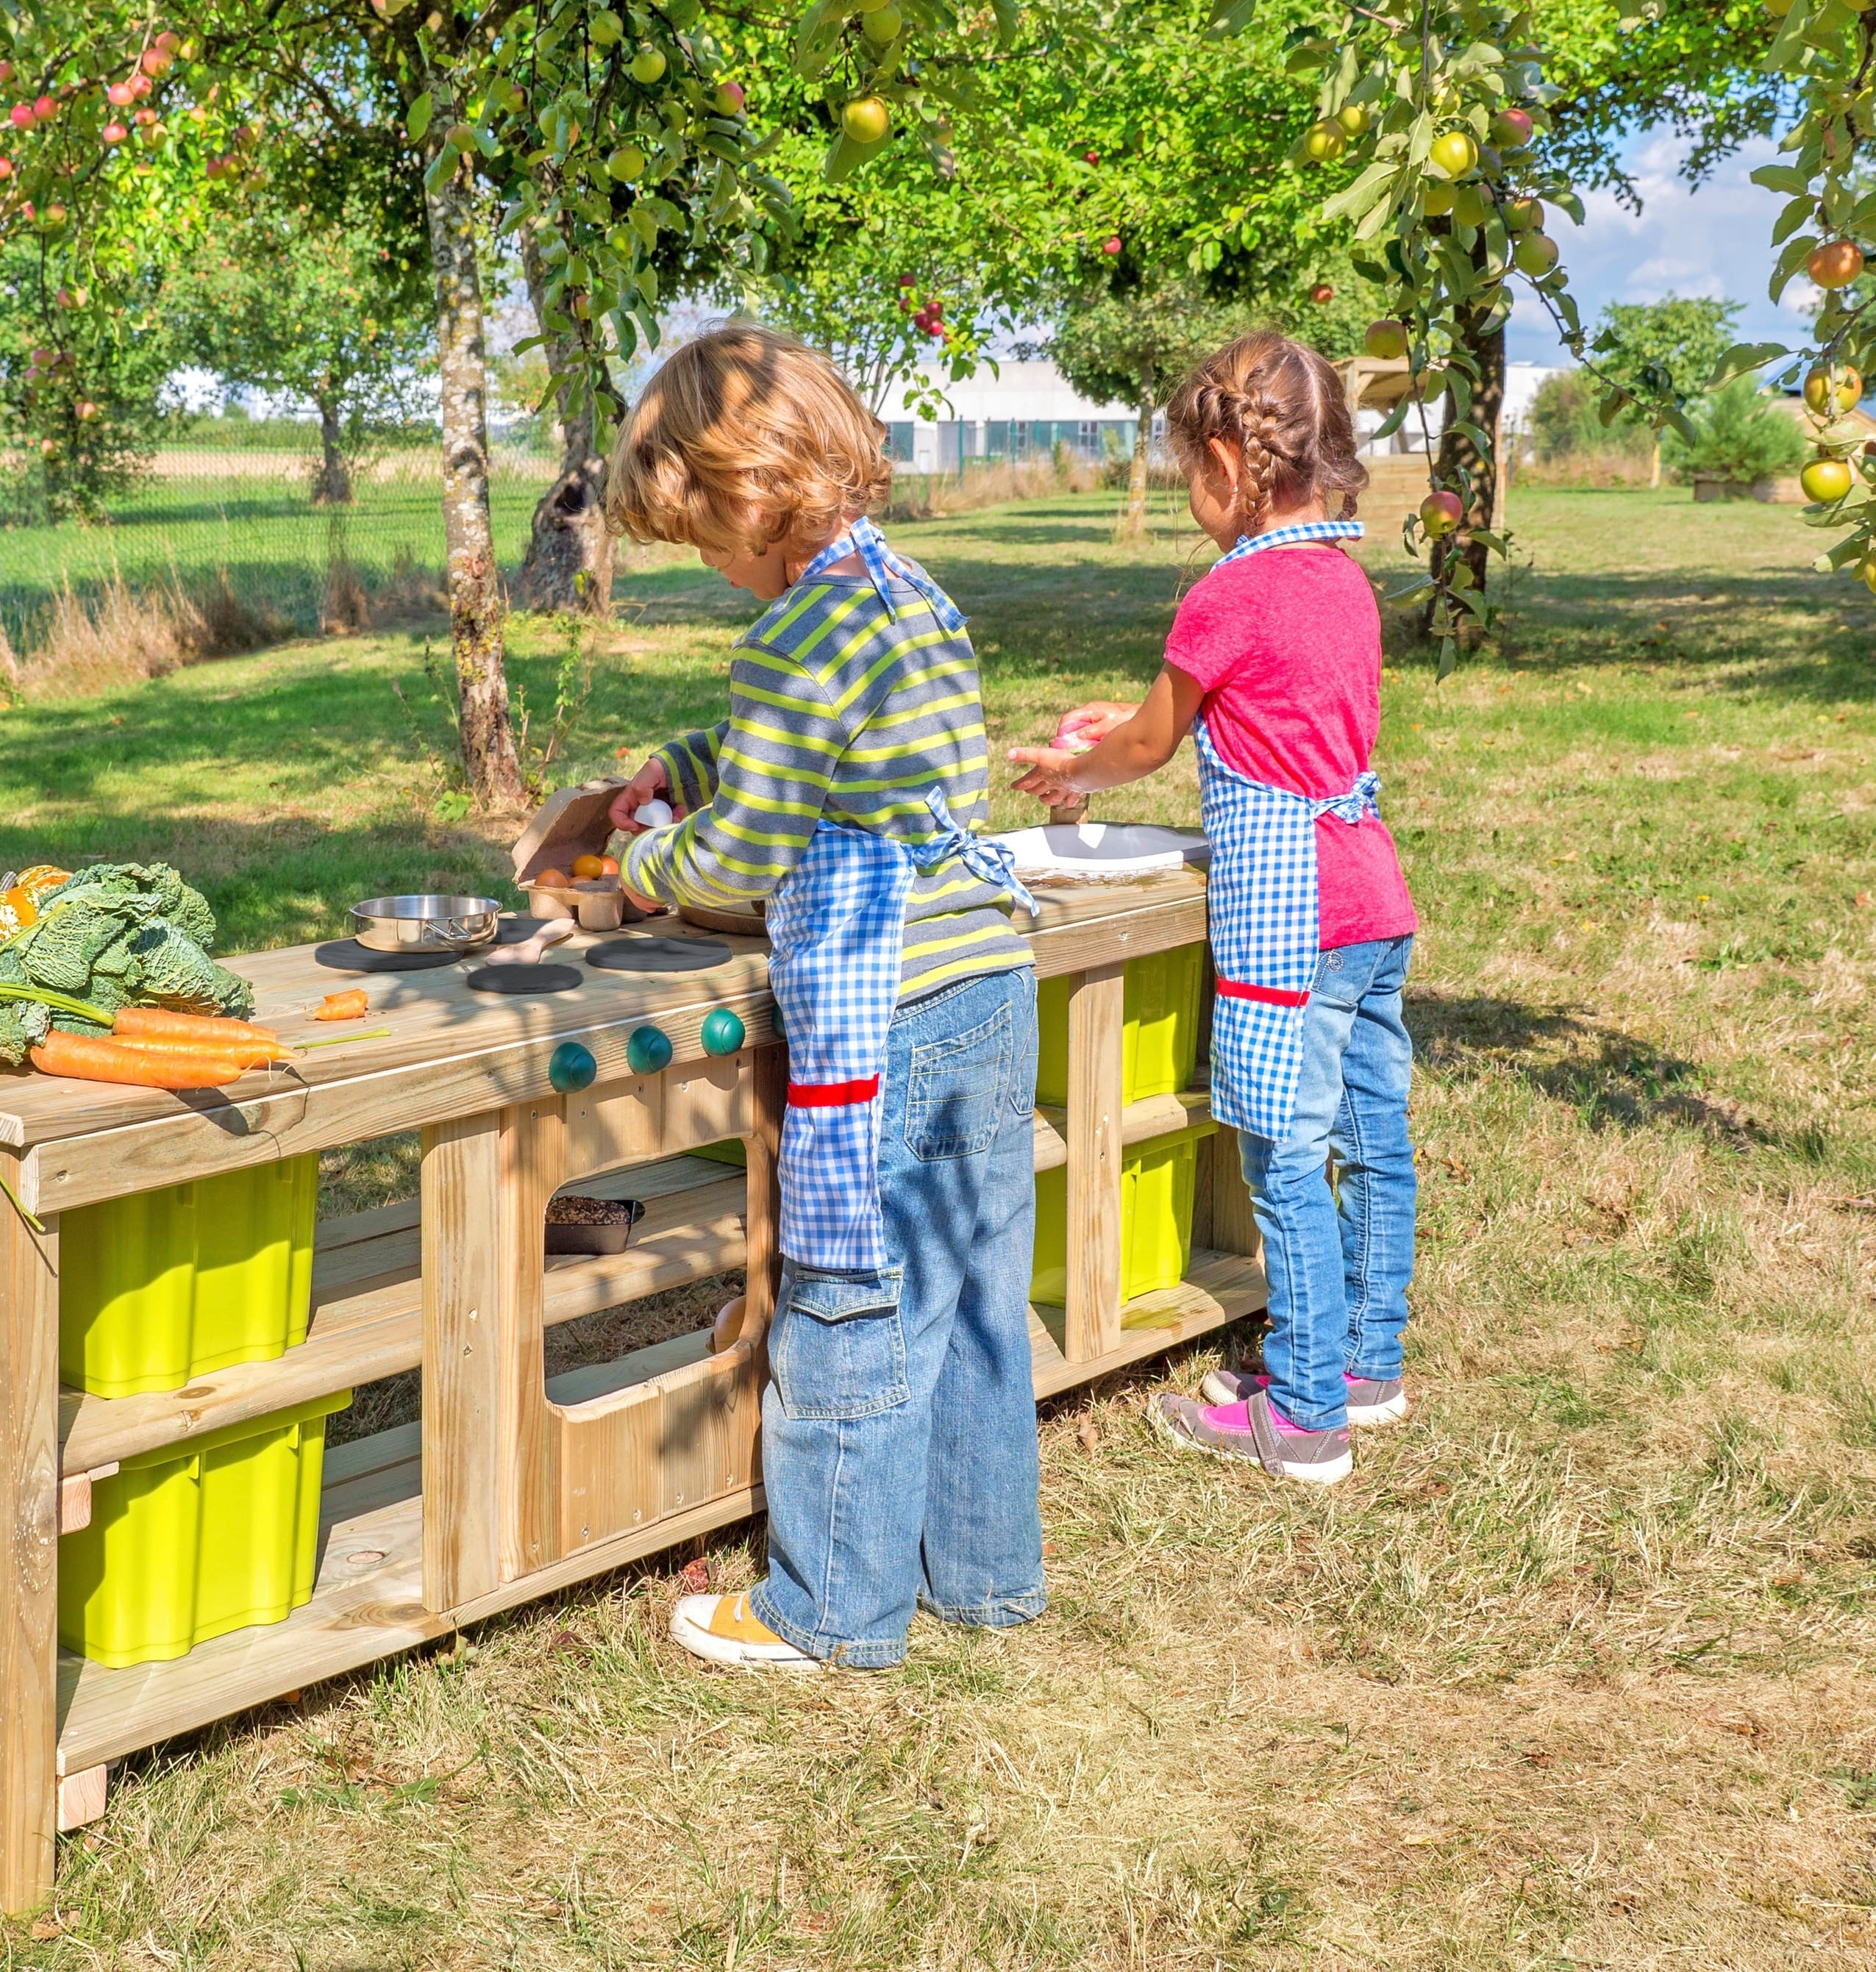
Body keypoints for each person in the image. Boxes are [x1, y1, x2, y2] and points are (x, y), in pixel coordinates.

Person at [601, 322, 1046, 1669]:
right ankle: (982, 1571)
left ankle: (832, 1606)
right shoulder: (906, 592)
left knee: (850, 1290)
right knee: (974, 1289)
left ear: (747, 498)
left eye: (705, 542)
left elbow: (745, 846)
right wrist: (685, 757)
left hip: (888, 1006)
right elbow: (806, 753)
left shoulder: (791, 641)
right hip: (990, 983)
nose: (712, 573)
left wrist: (646, 858)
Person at [1007, 329, 1419, 1487]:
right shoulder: (1344, 577)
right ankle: (1365, 1365)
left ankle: (1302, 1415)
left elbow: (1153, 736)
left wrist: (1084, 768)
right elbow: (1246, 711)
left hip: (1297, 920)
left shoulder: (1228, 591)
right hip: (1374, 901)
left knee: (1284, 1153)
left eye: (1193, 464)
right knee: (1372, 1141)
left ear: (1236, 461)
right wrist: (1133, 720)